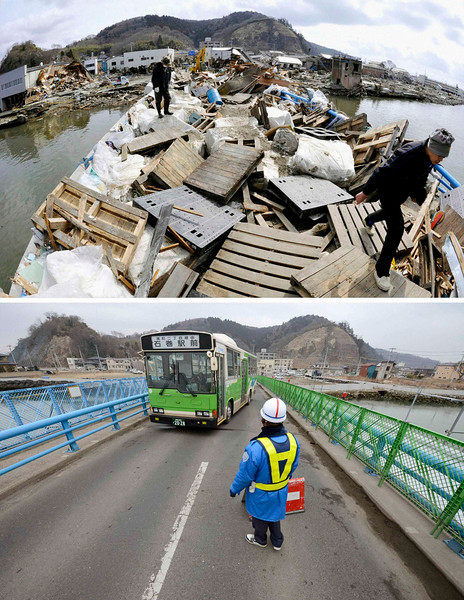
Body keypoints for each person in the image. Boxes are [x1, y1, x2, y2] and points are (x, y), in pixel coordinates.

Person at [355, 128, 454, 292]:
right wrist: (364, 193)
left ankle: (369, 220)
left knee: (387, 214)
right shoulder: (408, 153)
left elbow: (420, 177)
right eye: (440, 156)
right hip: (388, 192)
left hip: (402, 192)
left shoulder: (430, 158)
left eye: (443, 157)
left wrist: (418, 196)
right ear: (432, 149)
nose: (441, 159)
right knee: (397, 229)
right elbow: (383, 171)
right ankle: (381, 272)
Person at [230, 397, 300, 550]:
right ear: (283, 420)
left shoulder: (256, 447)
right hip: (281, 490)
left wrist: (234, 489)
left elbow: (245, 475)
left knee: (261, 517)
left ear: (263, 419)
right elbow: (293, 465)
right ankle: (277, 541)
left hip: (261, 493)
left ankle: (260, 539)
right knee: (275, 515)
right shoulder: (293, 441)